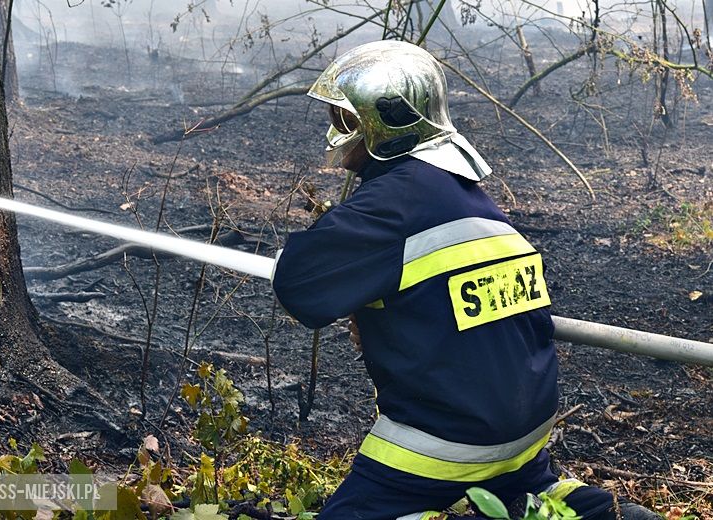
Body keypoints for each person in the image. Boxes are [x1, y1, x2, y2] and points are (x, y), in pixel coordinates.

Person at [271, 40, 658, 520]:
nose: (337, 130)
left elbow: (299, 287)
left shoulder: (394, 204)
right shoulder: (468, 199)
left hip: (446, 441)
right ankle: (582, 507)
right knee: (523, 491)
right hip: (525, 433)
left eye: (345, 117)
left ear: (385, 121)